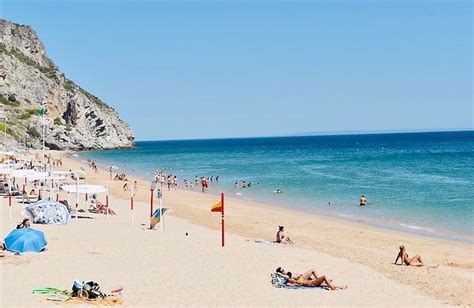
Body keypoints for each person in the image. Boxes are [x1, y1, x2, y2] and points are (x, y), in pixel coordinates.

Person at [277, 268, 347, 290]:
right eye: (282, 271)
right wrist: (279, 274)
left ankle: (340, 287)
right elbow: (285, 277)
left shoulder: (288, 276)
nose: (283, 270)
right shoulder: (287, 278)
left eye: (283, 270)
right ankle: (332, 288)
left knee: (324, 283)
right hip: (310, 283)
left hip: (308, 281)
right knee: (324, 277)